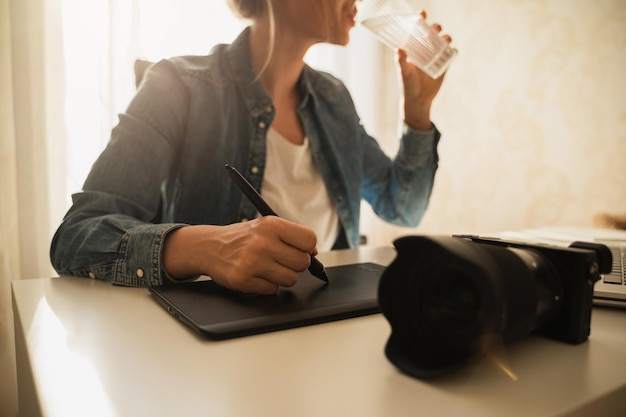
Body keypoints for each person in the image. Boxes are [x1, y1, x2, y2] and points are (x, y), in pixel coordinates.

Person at [50, 0, 453, 294]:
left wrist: (417, 112)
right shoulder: (178, 86)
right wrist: (204, 248)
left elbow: (402, 206)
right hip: (220, 347)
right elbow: (76, 236)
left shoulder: (334, 99)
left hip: (328, 316)